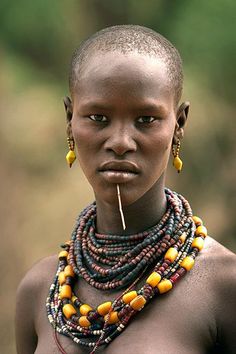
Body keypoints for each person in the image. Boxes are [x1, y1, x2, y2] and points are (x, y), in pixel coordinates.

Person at [15, 25, 236, 354]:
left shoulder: (222, 287)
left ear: (179, 125)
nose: (120, 142)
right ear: (69, 120)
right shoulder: (39, 290)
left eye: (146, 119)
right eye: (98, 117)